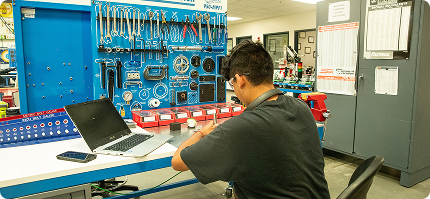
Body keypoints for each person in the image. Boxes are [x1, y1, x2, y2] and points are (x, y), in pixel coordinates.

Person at [172, 40, 330, 199]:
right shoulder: (301, 108)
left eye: (231, 83)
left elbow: (178, 161)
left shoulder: (239, 128)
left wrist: (200, 133)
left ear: (240, 80)